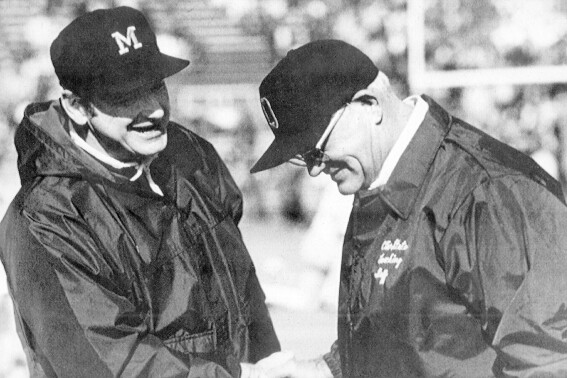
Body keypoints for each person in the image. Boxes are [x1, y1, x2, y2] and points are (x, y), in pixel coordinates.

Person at [249, 39, 567, 377]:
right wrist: (322, 369)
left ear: (369, 104)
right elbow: (412, 336)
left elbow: (549, 361)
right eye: (304, 157)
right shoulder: (379, 182)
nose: (315, 168)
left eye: (318, 147)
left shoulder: (490, 193)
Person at [0, 6, 283, 377]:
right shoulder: (46, 217)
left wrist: (269, 365)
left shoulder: (192, 157)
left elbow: (245, 296)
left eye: (155, 86)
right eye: (125, 96)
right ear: (77, 107)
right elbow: (108, 365)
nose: (152, 109)